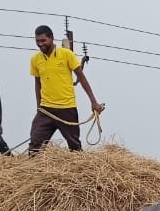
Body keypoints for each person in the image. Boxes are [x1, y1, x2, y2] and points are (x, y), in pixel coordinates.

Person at [28, 24, 104, 155]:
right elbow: (38, 84)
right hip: (46, 109)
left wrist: (94, 102)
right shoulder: (35, 59)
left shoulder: (66, 54)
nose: (40, 44)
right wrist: (38, 106)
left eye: (43, 40)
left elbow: (82, 78)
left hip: (67, 108)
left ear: (51, 38)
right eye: (37, 41)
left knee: (75, 147)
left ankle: (81, 173)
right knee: (35, 145)